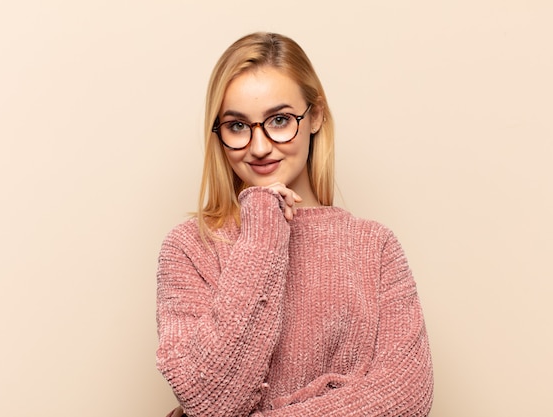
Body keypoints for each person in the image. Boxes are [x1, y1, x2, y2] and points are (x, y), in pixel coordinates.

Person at [156, 32, 433, 417]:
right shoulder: (190, 247)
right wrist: (263, 228)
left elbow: (406, 397)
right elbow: (209, 399)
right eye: (237, 126)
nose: (259, 146)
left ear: (315, 116)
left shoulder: (375, 246)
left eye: (280, 120)